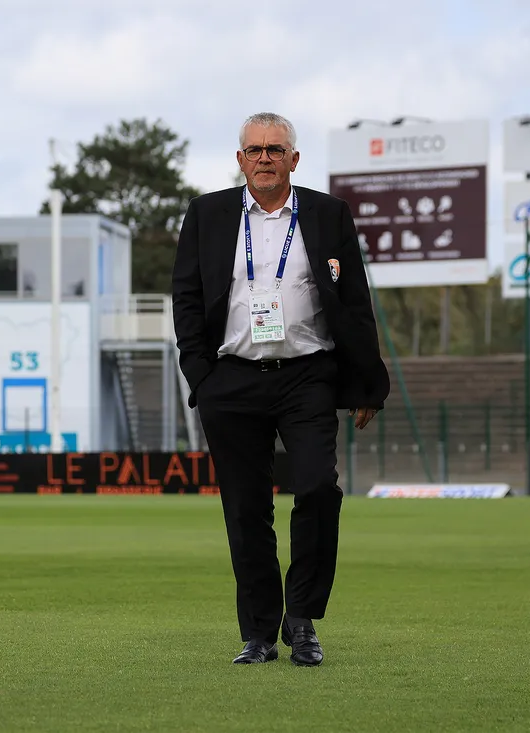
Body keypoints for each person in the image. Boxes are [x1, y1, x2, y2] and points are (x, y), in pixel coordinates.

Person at [171, 112, 390, 666]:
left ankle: (303, 618)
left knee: (318, 489)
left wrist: (368, 382)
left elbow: (355, 301)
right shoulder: (207, 214)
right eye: (254, 149)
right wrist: (202, 377)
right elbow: (187, 298)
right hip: (232, 378)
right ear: (240, 159)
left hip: (307, 373)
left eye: (275, 148)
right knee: (246, 508)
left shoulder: (328, 214)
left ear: (294, 158)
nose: (264, 157)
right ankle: (260, 633)